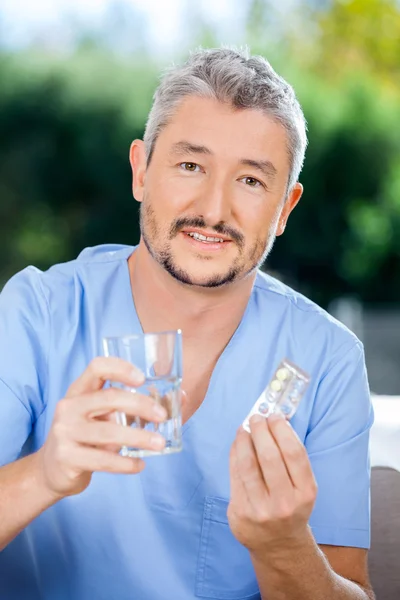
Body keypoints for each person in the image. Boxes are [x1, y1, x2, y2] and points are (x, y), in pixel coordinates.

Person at [0, 47, 375, 600]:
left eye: (251, 181)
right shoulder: (38, 311)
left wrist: (285, 548)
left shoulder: (328, 359)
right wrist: (47, 471)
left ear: (285, 208)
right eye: (190, 165)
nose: (214, 210)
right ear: (141, 172)